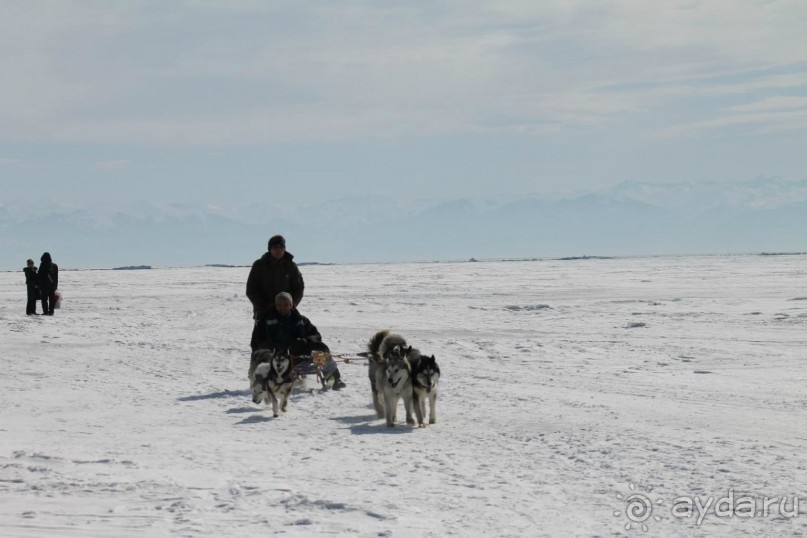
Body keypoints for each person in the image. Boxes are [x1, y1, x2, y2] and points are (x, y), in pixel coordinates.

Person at [253, 292, 346, 390]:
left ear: (291, 305)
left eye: (285, 304)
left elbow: (316, 335)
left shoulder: (301, 319)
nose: (282, 307)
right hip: (281, 356)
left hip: (301, 351)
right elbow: (263, 341)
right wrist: (281, 347)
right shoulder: (268, 321)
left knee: (321, 347)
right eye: (279, 305)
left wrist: (306, 340)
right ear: (275, 306)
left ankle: (334, 379)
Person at [246, 234, 305, 349]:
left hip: (285, 312)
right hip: (264, 312)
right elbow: (251, 289)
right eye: (275, 247)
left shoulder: (291, 266)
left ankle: (286, 367)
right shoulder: (259, 265)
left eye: (281, 247)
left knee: (288, 345)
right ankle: (257, 367)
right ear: (270, 249)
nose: (278, 250)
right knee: (260, 345)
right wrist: (262, 305)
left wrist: (292, 303)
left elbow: (299, 287)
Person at [38, 252, 58, 316]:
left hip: (44, 285)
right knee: (51, 299)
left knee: (44, 299)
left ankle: (45, 311)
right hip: (52, 285)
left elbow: (40, 276)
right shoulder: (54, 265)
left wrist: (39, 286)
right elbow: (56, 277)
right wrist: (55, 286)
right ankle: (51, 311)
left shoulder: (42, 265)